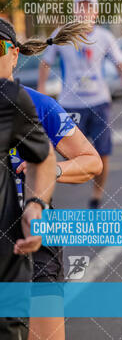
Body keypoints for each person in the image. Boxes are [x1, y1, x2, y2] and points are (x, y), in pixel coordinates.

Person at [3, 18, 102, 340]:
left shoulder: (37, 104)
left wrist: (52, 171)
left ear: (14, 55)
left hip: (36, 234)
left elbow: (90, 161)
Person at [38, 0, 122, 210]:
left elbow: (118, 60)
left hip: (99, 102)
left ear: (96, 11)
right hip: (70, 103)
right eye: (80, 7)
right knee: (59, 150)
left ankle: (96, 196)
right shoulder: (61, 34)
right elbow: (45, 62)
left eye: (88, 7)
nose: (84, 11)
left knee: (102, 152)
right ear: (74, 10)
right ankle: (44, 197)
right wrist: (41, 87)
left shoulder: (104, 36)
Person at [0, 19, 58, 340]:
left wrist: (36, 206)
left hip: (6, 255)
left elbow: (45, 158)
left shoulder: (11, 99)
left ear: (14, 55)